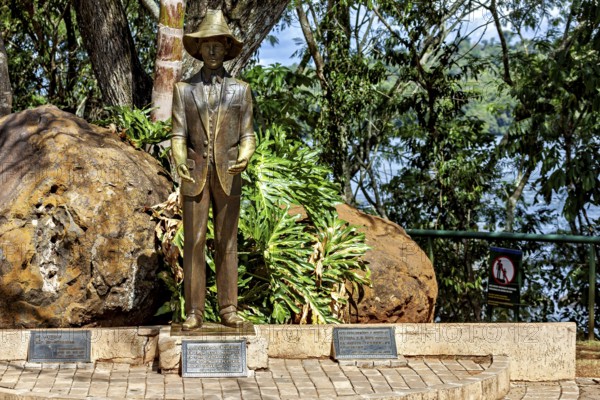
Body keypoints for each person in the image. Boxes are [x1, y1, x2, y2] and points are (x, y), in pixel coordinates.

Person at [170, 9, 255, 330]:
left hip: (230, 174)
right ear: (200, 49)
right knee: (193, 243)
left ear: (226, 48)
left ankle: (228, 308)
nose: (214, 51)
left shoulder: (241, 91)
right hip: (194, 175)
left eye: (220, 45)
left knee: (227, 241)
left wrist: (245, 155)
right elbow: (178, 135)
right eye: (208, 46)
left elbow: (248, 134)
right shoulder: (183, 90)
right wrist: (179, 159)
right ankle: (194, 311)